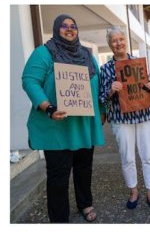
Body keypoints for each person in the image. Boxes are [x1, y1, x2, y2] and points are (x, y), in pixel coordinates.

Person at [21, 14, 104, 223]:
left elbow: (99, 83)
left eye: (73, 26)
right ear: (57, 29)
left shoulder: (87, 54)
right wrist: (47, 107)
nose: (69, 29)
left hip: (83, 124)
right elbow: (30, 81)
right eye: (64, 26)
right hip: (57, 126)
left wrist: (103, 109)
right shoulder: (44, 53)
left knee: (84, 168)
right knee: (59, 176)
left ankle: (85, 204)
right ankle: (59, 220)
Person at [98, 26, 150, 211]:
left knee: (148, 156)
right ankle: (134, 191)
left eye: (121, 39)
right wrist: (111, 91)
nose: (119, 43)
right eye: (114, 41)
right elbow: (102, 99)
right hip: (121, 119)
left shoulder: (138, 63)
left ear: (126, 41)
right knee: (127, 158)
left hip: (144, 116)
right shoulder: (106, 69)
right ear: (110, 45)